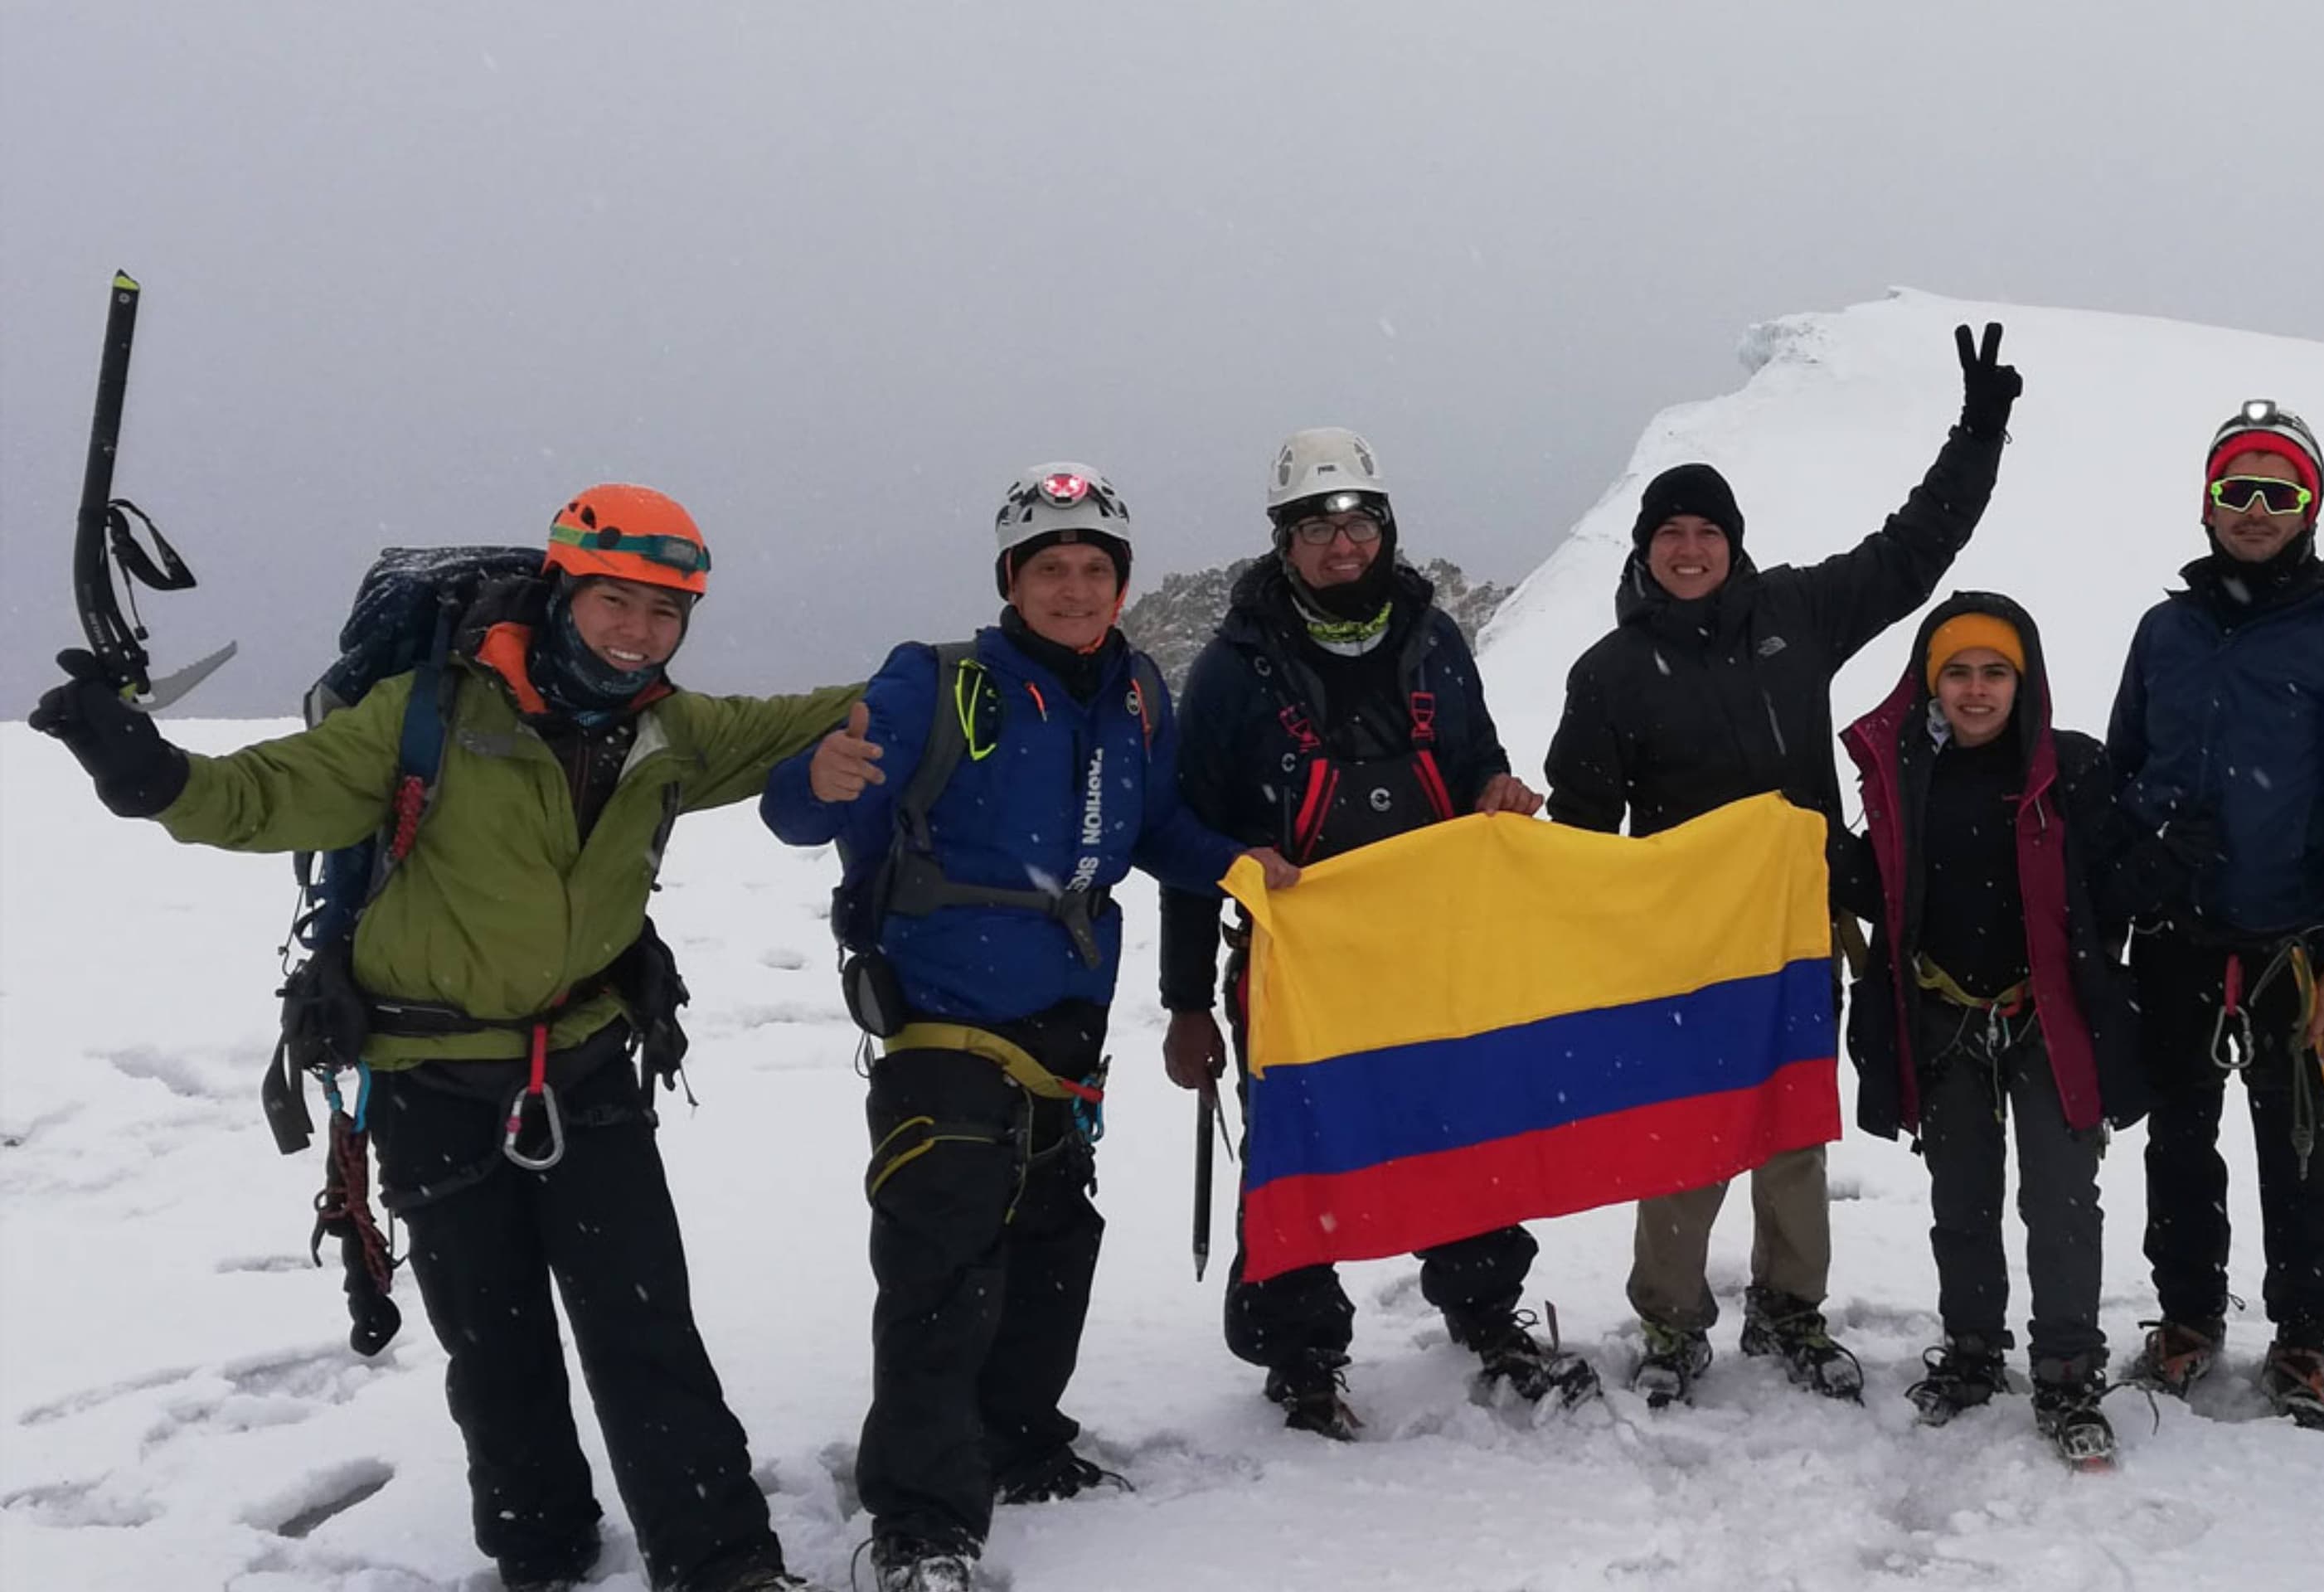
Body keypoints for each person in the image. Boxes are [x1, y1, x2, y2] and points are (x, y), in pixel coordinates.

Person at [27, 485, 846, 1592]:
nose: (638, 631)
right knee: (495, 1344)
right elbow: (266, 794)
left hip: (588, 1066)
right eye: (615, 601)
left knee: (646, 1330)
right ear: (561, 591)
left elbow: (816, 715)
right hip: (433, 1081)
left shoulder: (673, 731)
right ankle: (540, 1552)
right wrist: (153, 775)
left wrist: (974, 661)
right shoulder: (427, 715)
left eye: (666, 612)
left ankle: (722, 1563)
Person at [762, 464, 1293, 1592]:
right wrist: (815, 779)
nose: (1074, 587)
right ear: (1011, 579)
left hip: (1067, 1029)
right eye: (1050, 567)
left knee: (1053, 1245)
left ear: (1122, 583)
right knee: (942, 1268)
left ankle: (1018, 1442)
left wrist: (1242, 866)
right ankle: (921, 1524)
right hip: (943, 1023)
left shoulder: (1137, 692)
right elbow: (801, 811)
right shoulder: (936, 681)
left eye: (1096, 568)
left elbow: (1155, 829)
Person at [1544, 323, 2020, 1406]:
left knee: (1794, 1125)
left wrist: (1978, 434)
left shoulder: (1796, 614)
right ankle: (1671, 1323)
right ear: (1644, 550)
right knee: (1685, 1130)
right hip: (1682, 941)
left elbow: (1914, 550)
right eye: (1671, 533)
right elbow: (1583, 828)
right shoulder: (1611, 672)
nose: (1690, 549)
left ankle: (1790, 1308)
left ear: (1734, 544)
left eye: (1708, 531)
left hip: (1801, 923)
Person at [1155, 426, 1578, 1440]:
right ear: (1283, 540)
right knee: (1299, 1148)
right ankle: (1299, 1354)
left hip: (1434, 955)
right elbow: (1190, 845)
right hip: (1298, 972)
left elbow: (1477, 759)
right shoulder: (1232, 672)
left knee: (1462, 1127)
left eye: (1359, 523)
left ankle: (1486, 1308)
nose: (1343, 546)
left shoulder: (1435, 642)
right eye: (1318, 527)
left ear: (1386, 528)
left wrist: (1496, 790)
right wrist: (1185, 1003)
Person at [2104, 401, 2324, 1427]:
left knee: (2299, 1146)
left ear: (2310, 509)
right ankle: (2188, 1316)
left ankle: (2305, 1335)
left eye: (2279, 493)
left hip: (2295, 944)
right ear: (2208, 502)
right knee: (2178, 1141)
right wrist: (2140, 862)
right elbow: (2124, 773)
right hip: (2176, 935)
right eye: (2237, 489)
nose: (2255, 509)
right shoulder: (2166, 632)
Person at [1840, 593, 2166, 1465]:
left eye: (1995, 673)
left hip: (2047, 1020)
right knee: (1962, 1198)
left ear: (2025, 683)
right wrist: (1829, 859)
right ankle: (1973, 1352)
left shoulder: (2072, 769)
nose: (1976, 690)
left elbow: (2113, 881)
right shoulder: (1904, 774)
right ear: (1930, 683)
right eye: (1957, 673)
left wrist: (2170, 861)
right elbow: (1889, 888)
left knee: (2062, 1200)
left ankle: (2067, 1372)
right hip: (1943, 1013)